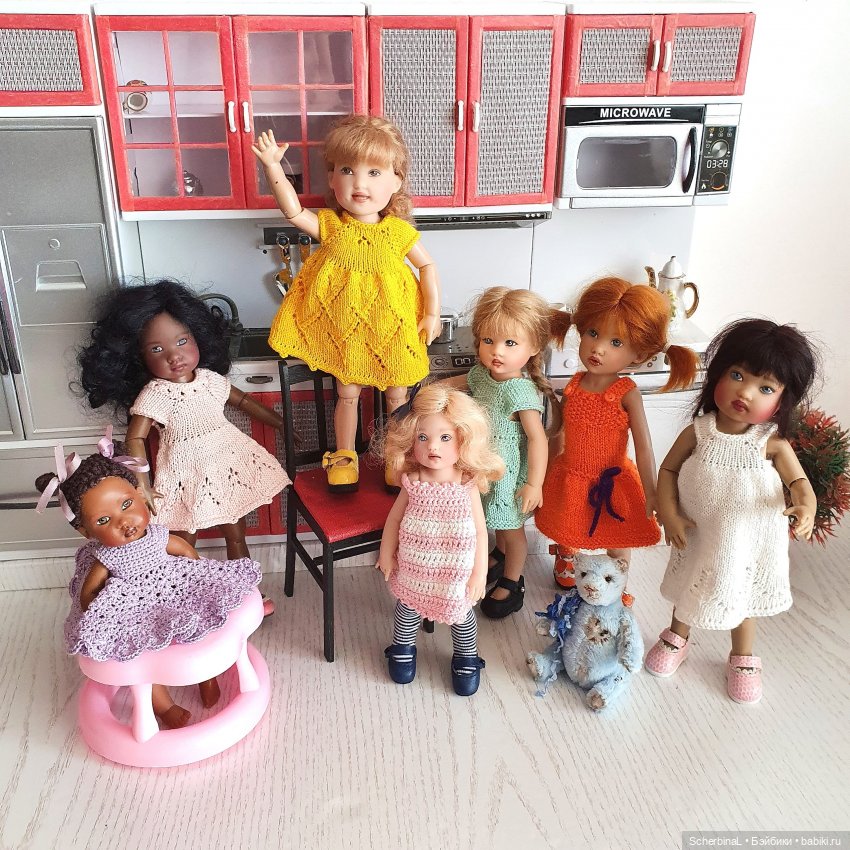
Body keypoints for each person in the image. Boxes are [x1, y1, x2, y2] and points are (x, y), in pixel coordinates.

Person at [252, 115, 441, 492]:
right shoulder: (332, 226)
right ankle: (344, 456)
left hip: (393, 331)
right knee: (347, 393)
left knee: (398, 395)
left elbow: (427, 266)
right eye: (348, 170)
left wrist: (432, 312)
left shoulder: (398, 233)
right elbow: (293, 212)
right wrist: (273, 167)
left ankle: (395, 456)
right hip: (346, 333)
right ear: (332, 178)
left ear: (396, 181)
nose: (360, 183)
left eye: (374, 172)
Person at [77, 280, 289, 615]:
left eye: (182, 341)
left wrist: (282, 424)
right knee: (180, 539)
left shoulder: (210, 380)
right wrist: (143, 484)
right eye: (156, 349)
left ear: (198, 337)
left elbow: (245, 402)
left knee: (236, 532)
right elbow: (135, 438)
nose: (174, 356)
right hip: (183, 472)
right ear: (139, 357)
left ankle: (247, 593)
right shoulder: (156, 394)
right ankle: (182, 595)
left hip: (225, 463)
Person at [645, 318, 819, 704]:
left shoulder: (770, 443)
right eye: (737, 375)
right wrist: (669, 514)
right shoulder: (698, 432)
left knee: (742, 593)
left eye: (766, 388)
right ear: (718, 375)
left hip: (748, 538)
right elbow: (668, 470)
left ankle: (743, 656)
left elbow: (798, 481)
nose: (746, 392)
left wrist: (806, 505)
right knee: (692, 583)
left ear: (782, 400)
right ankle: (677, 637)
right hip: (699, 530)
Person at [36, 438, 261, 728]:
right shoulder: (105, 557)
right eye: (103, 520)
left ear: (141, 495)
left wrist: (197, 570)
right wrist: (100, 611)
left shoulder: (155, 536)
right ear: (85, 531)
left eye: (126, 504)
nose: (123, 522)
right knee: (139, 657)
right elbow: (88, 591)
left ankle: (207, 678)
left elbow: (181, 548)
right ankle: (164, 706)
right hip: (134, 607)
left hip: (173, 587)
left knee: (197, 631)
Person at [535, 277, 700, 579]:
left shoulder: (626, 393)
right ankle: (567, 557)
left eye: (616, 342)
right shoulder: (573, 386)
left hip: (611, 479)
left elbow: (644, 447)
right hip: (571, 474)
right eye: (593, 333)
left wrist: (651, 491)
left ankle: (617, 578)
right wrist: (543, 476)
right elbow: (558, 433)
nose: (598, 348)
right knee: (568, 524)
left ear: (639, 355)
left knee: (618, 533)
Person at [442, 287, 570, 619]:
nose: (497, 351)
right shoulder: (482, 375)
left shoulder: (520, 391)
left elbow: (538, 440)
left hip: (508, 477)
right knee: (489, 519)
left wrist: (534, 484)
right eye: (489, 341)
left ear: (534, 347)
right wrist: (434, 388)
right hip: (481, 467)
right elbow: (461, 381)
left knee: (511, 529)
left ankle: (514, 581)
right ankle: (497, 558)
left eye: (510, 343)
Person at [376, 385, 504, 696]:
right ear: (410, 440)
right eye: (423, 437)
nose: (433, 446)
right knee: (407, 609)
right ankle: (402, 648)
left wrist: (479, 574)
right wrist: (386, 553)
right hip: (414, 567)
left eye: (445, 437)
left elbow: (480, 530)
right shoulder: (413, 481)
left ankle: (466, 656)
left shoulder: (465, 483)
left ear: (464, 440)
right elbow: (394, 520)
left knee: (461, 616)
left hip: (455, 571)